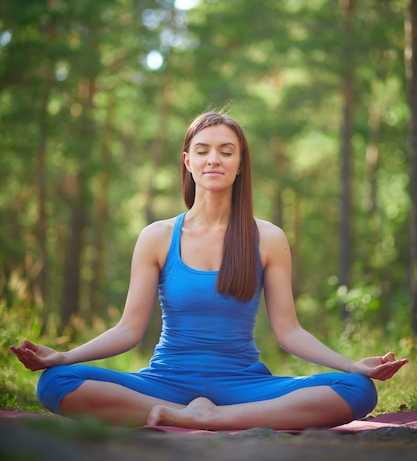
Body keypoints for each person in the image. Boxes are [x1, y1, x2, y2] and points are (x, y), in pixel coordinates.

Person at [11, 111, 408, 430]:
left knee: (357, 389)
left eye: (226, 151)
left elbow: (290, 332)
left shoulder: (267, 237)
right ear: (188, 162)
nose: (213, 159)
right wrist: (62, 357)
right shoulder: (157, 236)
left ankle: (211, 418)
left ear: (240, 164)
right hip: (164, 384)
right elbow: (127, 331)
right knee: (56, 383)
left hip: (244, 385)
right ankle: (178, 411)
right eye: (202, 150)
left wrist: (354, 365)